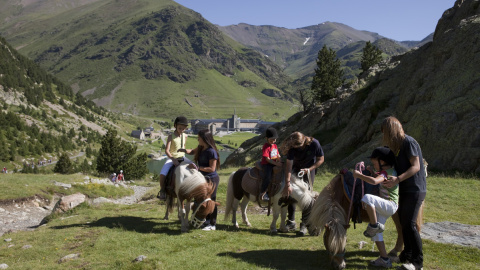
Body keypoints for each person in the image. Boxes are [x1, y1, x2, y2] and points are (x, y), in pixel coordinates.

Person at [381, 116, 426, 270]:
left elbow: (416, 166)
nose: (384, 138)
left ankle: (417, 262)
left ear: (390, 131)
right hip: (404, 189)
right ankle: (406, 255)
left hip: (415, 189)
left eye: (385, 133)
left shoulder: (409, 142)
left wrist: (397, 179)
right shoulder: (397, 147)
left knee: (410, 224)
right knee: (404, 223)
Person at [353, 147, 398, 268]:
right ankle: (384, 259)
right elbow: (378, 179)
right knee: (377, 234)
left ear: (382, 162)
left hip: (389, 204)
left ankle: (373, 225)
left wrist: (359, 175)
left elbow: (374, 182)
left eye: (374, 163)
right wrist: (373, 172)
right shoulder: (390, 172)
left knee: (367, 197)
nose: (374, 165)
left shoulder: (385, 173)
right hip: (387, 206)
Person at [280, 131, 325, 236]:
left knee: (307, 197)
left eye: (299, 146)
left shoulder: (315, 144)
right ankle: (291, 221)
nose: (297, 148)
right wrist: (287, 183)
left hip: (309, 170)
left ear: (304, 140)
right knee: (291, 194)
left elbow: (321, 159)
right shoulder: (292, 148)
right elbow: (289, 166)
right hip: (295, 169)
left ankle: (304, 224)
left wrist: (309, 169)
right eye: (295, 146)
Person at [180, 129, 220, 231]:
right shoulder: (201, 147)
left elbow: (212, 168)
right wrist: (184, 151)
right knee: (201, 200)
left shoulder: (211, 152)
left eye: (199, 138)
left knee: (211, 201)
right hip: (202, 178)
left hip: (211, 179)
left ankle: (212, 224)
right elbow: (192, 151)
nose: (198, 139)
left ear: (205, 139)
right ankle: (202, 220)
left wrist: (197, 168)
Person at [158, 116, 191, 200]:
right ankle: (162, 190)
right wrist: (173, 159)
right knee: (163, 173)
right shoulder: (171, 136)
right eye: (180, 128)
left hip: (182, 157)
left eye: (184, 129)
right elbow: (167, 150)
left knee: (195, 167)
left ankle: (193, 189)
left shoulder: (185, 136)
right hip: (172, 158)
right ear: (175, 126)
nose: (182, 130)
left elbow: (183, 147)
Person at [260, 127, 282, 202]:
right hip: (267, 164)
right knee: (268, 177)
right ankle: (263, 192)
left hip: (273, 163)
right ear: (266, 138)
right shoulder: (265, 146)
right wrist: (277, 163)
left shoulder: (275, 146)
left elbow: (278, 155)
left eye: (274, 139)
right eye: (271, 139)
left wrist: (280, 161)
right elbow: (267, 159)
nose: (273, 141)